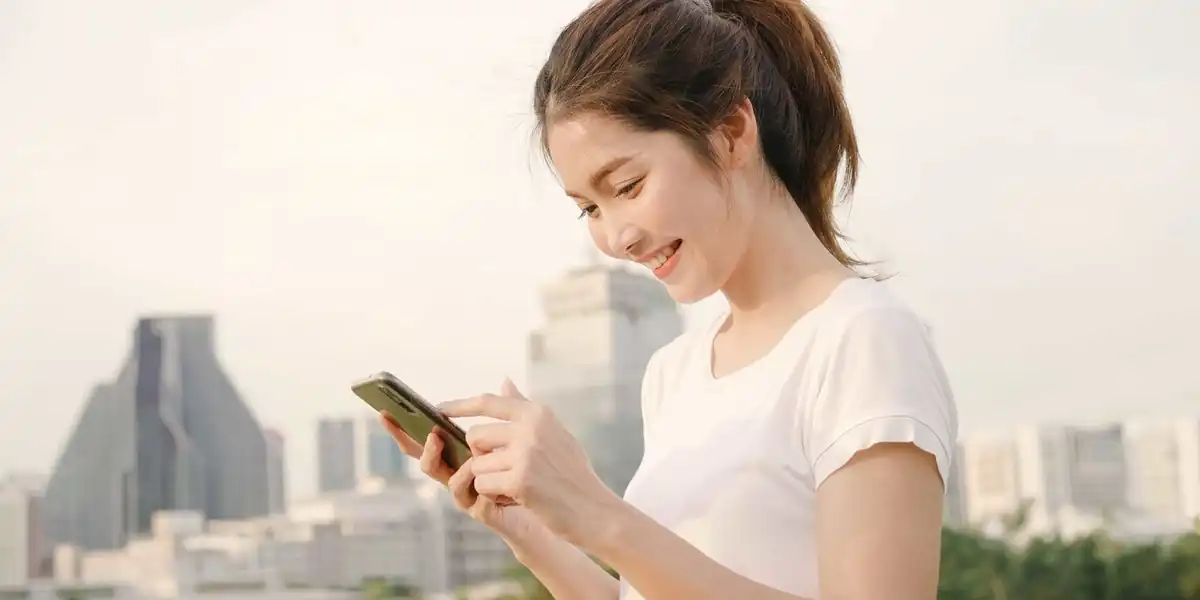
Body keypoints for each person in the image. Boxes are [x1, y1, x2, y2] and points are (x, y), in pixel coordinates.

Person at [382, 0, 958, 598]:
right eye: (590, 208)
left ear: (732, 132)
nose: (616, 237)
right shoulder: (674, 374)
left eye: (627, 186)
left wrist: (599, 515)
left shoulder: (862, 340)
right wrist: (528, 530)